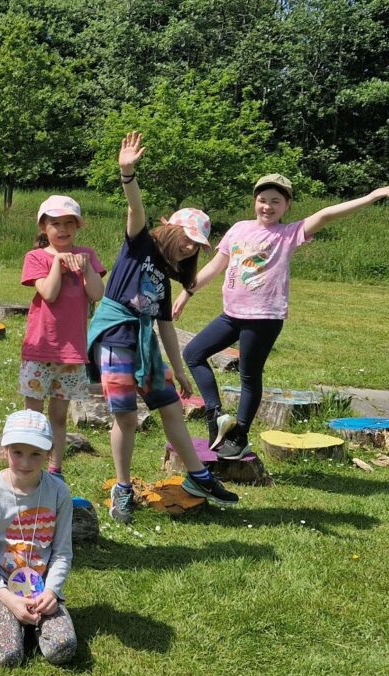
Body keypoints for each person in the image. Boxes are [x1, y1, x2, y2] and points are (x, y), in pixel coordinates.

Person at [176, 175, 389, 459]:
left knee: (248, 376)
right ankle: (215, 416)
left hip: (264, 317)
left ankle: (239, 436)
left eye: (276, 201)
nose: (267, 206)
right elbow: (215, 266)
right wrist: (186, 294)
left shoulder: (288, 234)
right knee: (193, 352)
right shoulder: (238, 229)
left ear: (287, 206)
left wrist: (372, 196)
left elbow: (325, 215)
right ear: (255, 201)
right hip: (232, 315)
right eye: (263, 200)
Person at [87, 131, 239, 523]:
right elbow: (135, 209)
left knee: (171, 406)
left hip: (144, 343)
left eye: (196, 246)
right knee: (125, 416)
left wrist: (181, 370)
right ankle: (123, 488)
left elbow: (167, 327)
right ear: (170, 229)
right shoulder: (140, 246)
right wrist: (127, 173)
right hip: (115, 336)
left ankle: (199, 476)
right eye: (187, 239)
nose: (190, 249)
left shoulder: (166, 279)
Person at [0, 410, 77, 666]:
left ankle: (30, 627)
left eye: (35, 454)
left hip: (41, 586)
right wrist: (6, 596)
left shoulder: (59, 492)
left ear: (48, 453)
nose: (26, 463)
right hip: (2, 586)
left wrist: (52, 591)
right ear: (5, 449)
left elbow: (62, 552)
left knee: (62, 648)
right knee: (7, 656)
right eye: (18, 452)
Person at [19, 195, 106, 476]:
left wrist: (87, 268)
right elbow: (49, 293)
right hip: (40, 348)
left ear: (78, 227)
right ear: (44, 227)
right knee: (32, 415)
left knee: (58, 415)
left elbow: (97, 294)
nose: (63, 229)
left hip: (71, 351)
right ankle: (29, 466)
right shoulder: (36, 257)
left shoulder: (87, 255)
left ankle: (55, 468)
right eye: (55, 223)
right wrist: (58, 263)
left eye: (70, 223)